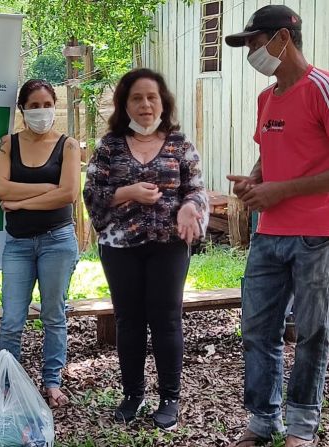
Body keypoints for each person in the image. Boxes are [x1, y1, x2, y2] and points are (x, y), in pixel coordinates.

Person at [225, 5, 329, 447]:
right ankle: (263, 422)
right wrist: (255, 181)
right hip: (269, 235)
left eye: (253, 42)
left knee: (312, 332)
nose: (251, 52)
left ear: (283, 38)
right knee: (257, 329)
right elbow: (268, 154)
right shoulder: (266, 98)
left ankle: (302, 429)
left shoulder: (320, 88)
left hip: (317, 235)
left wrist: (280, 191)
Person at [83, 68, 208, 431]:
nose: (145, 104)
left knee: (166, 318)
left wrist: (190, 208)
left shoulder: (180, 144)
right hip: (119, 247)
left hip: (168, 245)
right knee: (129, 320)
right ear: (125, 104)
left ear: (162, 102)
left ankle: (170, 398)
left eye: (151, 97)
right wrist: (127, 193)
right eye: (136, 98)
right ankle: (133, 394)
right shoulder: (109, 146)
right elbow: (91, 195)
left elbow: (197, 190)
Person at [0, 79, 80, 408]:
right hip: (18, 244)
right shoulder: (7, 145)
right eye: (34, 106)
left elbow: (69, 194)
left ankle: (52, 381)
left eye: (47, 105)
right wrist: (46, 187)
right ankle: (7, 381)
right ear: (22, 110)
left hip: (57, 241)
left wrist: (21, 201)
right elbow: (0, 189)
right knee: (11, 319)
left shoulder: (68, 146)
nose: (42, 112)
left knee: (54, 315)